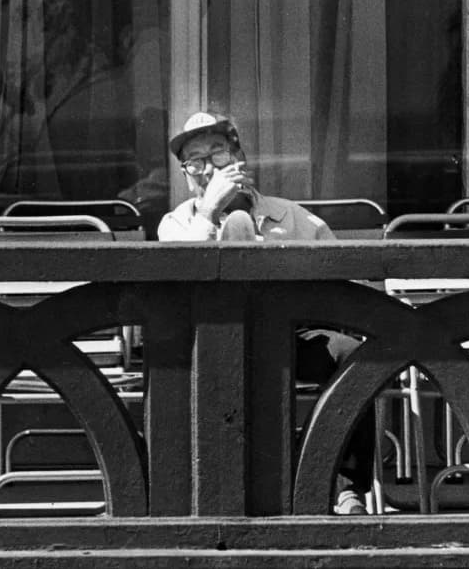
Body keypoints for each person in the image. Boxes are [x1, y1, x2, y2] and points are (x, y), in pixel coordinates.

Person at [159, 111, 374, 515]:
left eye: (217, 153)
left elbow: (343, 279)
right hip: (204, 351)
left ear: (239, 157)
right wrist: (209, 213)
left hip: (287, 340)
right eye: (195, 162)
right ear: (186, 175)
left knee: (351, 354)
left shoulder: (293, 217)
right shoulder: (176, 224)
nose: (208, 169)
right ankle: (174, 499)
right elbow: (176, 287)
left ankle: (345, 489)